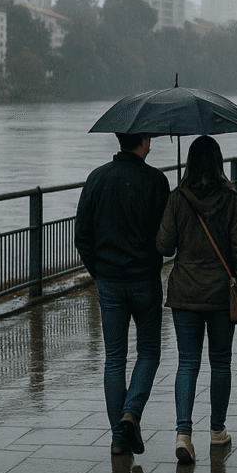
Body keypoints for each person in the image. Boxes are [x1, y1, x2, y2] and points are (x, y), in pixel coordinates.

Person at [156, 135, 237, 465]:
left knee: (187, 362)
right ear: (219, 162)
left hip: (184, 293)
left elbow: (164, 246)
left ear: (190, 163)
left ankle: (183, 433)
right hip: (221, 294)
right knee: (221, 361)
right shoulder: (232, 200)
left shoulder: (177, 198)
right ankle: (217, 431)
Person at [75, 132, 170, 456]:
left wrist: (99, 272)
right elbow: (165, 237)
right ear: (143, 141)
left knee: (114, 358)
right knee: (149, 352)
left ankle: (118, 438)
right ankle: (132, 412)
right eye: (150, 139)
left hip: (110, 282)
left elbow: (82, 235)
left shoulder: (97, 178)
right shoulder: (156, 181)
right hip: (145, 280)